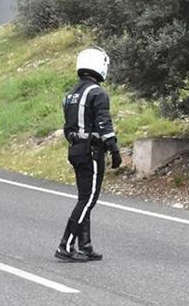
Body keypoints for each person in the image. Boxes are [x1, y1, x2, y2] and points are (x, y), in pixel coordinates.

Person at [55, 47, 122, 262]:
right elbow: (104, 122)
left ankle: (85, 245)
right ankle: (65, 245)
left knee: (84, 198)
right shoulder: (97, 93)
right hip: (91, 151)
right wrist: (114, 148)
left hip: (75, 149)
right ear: (99, 65)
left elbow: (68, 126)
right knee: (88, 199)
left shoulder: (71, 94)